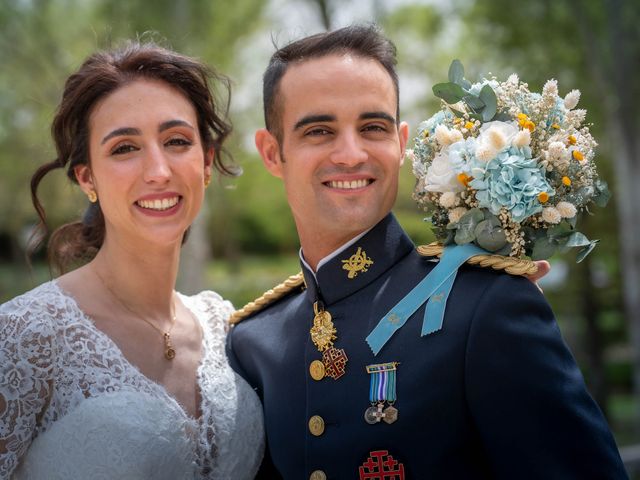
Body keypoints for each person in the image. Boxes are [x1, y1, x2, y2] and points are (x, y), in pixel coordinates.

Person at [226, 25, 628, 479]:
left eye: (372, 127)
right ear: (272, 152)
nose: (351, 153)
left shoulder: (485, 307)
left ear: (400, 143)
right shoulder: (253, 342)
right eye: (319, 131)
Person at [0, 41, 264, 479]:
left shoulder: (225, 325)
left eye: (177, 141)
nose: (158, 170)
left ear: (205, 163)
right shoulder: (23, 337)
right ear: (88, 178)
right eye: (124, 148)